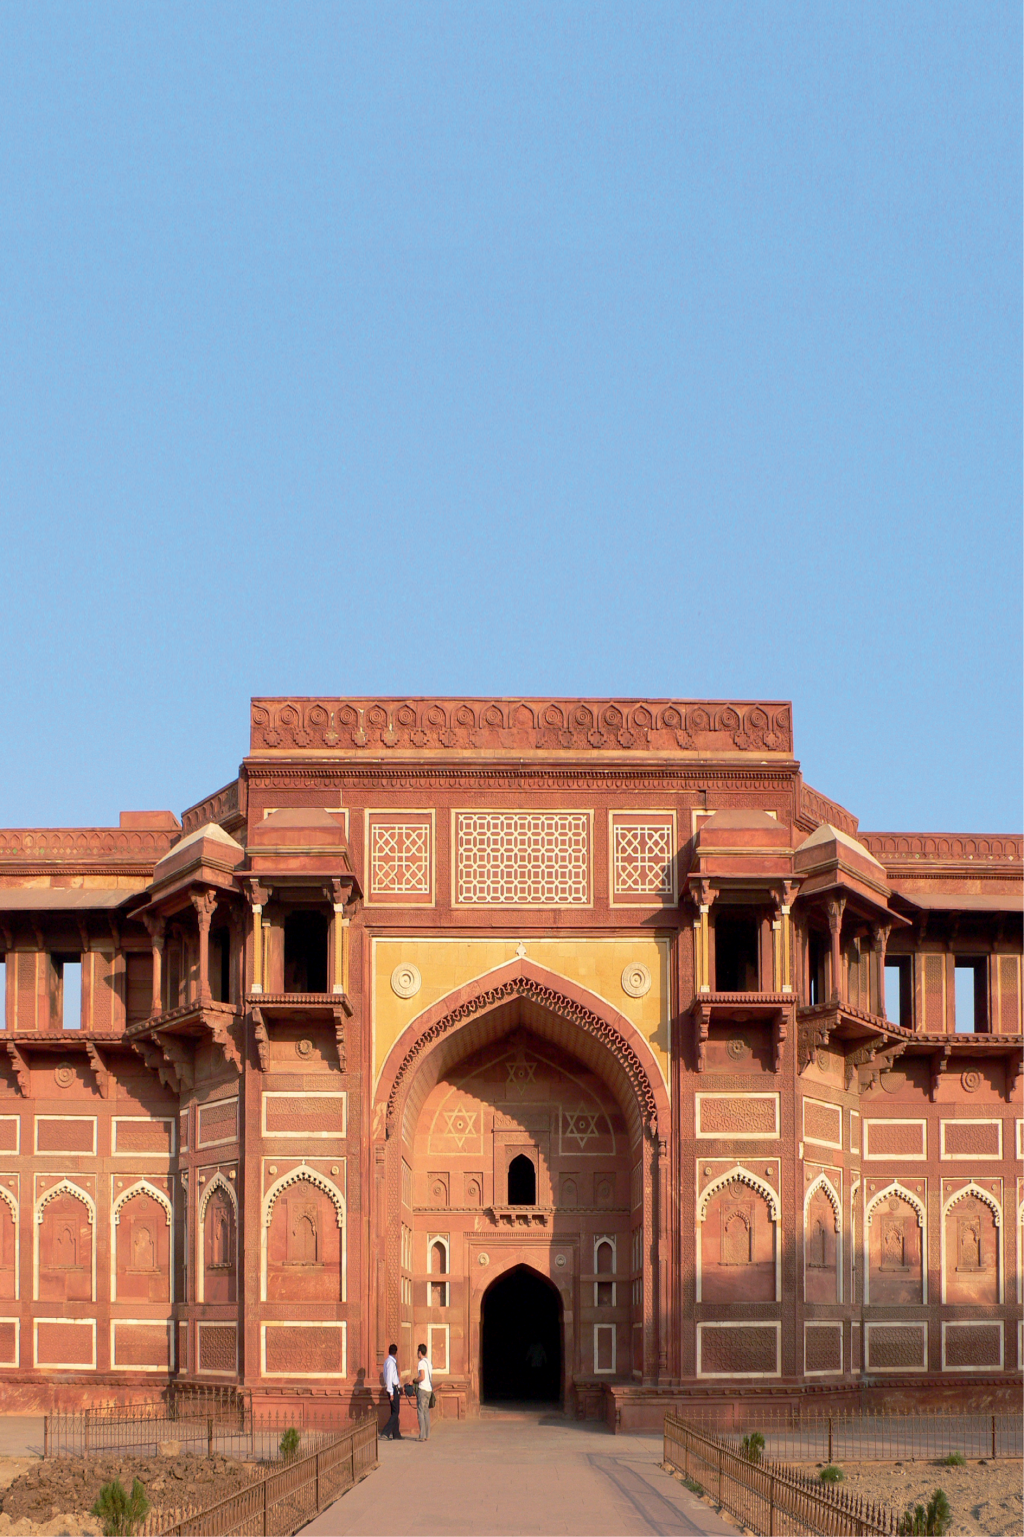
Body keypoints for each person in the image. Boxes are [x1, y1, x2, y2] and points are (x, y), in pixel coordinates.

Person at [382, 1343, 404, 1440]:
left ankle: (396, 1433)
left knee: (394, 1412)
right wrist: (391, 1392)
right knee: (396, 1412)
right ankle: (385, 1433)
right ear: (396, 1352)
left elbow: (386, 1376)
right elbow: (390, 1378)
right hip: (392, 1389)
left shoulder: (387, 1361)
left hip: (393, 1388)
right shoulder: (391, 1363)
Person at [415, 1343, 433, 1442]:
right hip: (429, 1389)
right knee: (426, 1412)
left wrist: (414, 1380)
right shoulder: (429, 1362)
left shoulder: (421, 1363)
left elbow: (422, 1377)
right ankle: (427, 1434)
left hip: (423, 1389)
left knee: (421, 1412)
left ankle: (422, 1435)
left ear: (420, 1352)